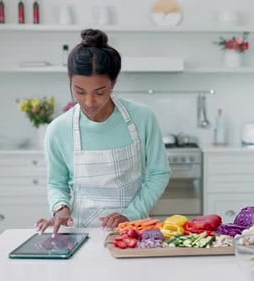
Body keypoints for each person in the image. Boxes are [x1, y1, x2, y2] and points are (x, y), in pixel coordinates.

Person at [35, 29, 171, 236]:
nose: (89, 102)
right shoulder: (58, 129)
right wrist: (60, 208)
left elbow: (159, 173)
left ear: (113, 83)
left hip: (134, 230)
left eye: (100, 92)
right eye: (79, 91)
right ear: (70, 80)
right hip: (81, 233)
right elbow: (56, 183)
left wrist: (131, 214)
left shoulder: (142, 117)